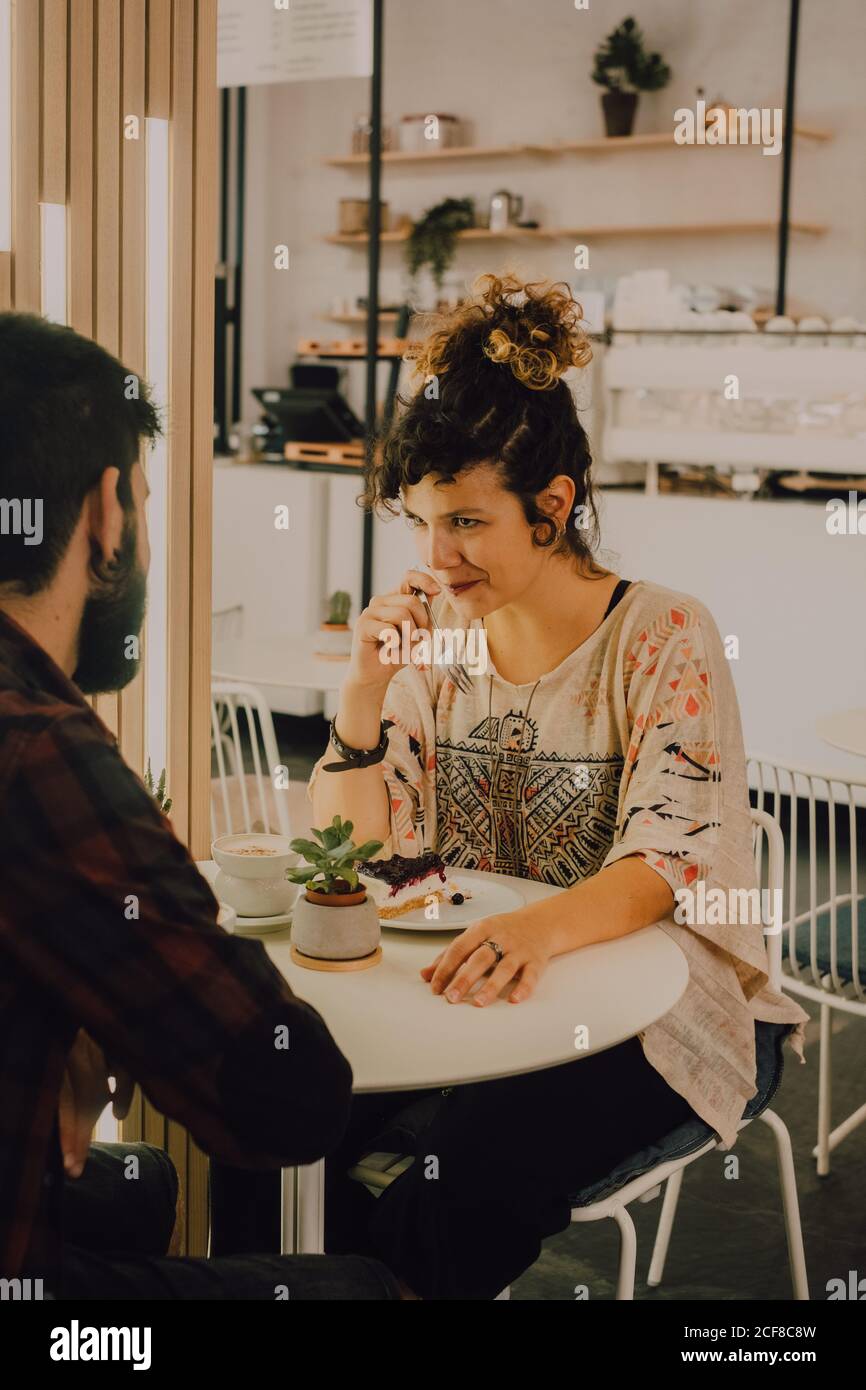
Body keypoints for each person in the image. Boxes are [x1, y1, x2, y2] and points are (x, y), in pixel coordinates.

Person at [310, 272, 810, 1300]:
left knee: (467, 1175)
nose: (434, 558)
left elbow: (671, 858)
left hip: (668, 1006)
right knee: (274, 1127)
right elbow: (352, 861)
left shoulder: (661, 633)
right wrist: (360, 693)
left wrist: (536, 932)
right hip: (486, 989)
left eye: (463, 523)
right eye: (418, 522)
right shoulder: (436, 643)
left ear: (551, 507)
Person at [0, 311, 402, 1300]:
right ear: (105, 509)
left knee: (141, 1183)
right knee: (359, 1287)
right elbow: (286, 1103)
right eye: (138, 495)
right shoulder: (41, 749)